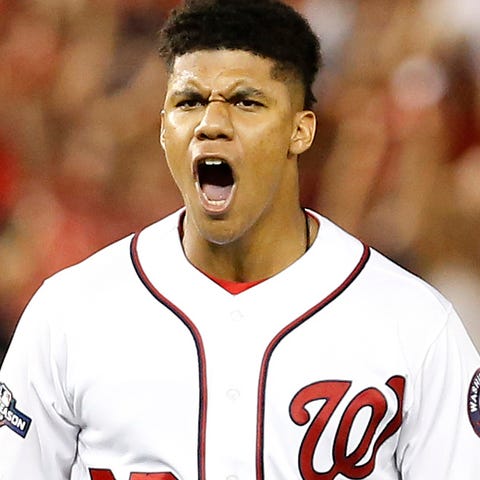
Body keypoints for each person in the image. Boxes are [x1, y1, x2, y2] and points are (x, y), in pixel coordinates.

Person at [1, 1, 479, 479]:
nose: (211, 123)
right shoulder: (69, 313)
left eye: (246, 102)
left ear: (300, 129)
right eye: (188, 102)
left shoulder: (415, 325)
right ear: (163, 127)